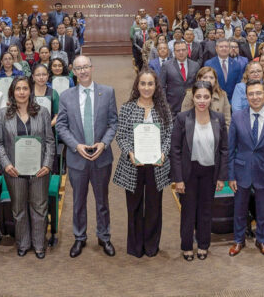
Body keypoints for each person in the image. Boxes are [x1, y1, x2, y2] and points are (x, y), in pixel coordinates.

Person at [56, 55, 118, 258]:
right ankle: (79, 237)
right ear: (73, 71)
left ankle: (104, 236)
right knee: (78, 202)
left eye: (86, 67)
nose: (82, 71)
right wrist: (75, 146)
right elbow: (62, 126)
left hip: (101, 156)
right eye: (78, 68)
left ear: (92, 68)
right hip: (77, 157)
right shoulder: (65, 96)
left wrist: (104, 143)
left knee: (102, 201)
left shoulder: (107, 92)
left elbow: (113, 123)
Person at [113, 68, 172, 258]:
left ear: (156, 86)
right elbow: (121, 135)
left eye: (150, 84)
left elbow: (170, 135)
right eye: (143, 83)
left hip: (157, 166)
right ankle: (136, 246)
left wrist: (164, 152)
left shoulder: (163, 108)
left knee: (154, 207)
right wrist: (130, 152)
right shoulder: (127, 108)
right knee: (135, 206)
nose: (146, 88)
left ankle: (151, 246)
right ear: (137, 86)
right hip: (133, 165)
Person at [0, 76, 55, 258]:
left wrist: (47, 165)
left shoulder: (43, 112)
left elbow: (50, 142)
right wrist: (6, 165)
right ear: (12, 92)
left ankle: (38, 245)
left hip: (39, 171)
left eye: (25, 88)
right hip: (15, 171)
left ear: (30, 91)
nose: (21, 92)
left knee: (39, 207)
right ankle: (23, 243)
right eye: (18, 89)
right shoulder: (3, 114)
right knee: (19, 209)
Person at [171, 81, 228, 261]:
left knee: (206, 211)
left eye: (206, 97)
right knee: (188, 211)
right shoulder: (182, 118)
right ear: (193, 97)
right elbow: (176, 150)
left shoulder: (218, 119)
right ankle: (187, 246)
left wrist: (221, 177)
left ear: (211, 98)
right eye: (198, 97)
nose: (202, 100)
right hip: (189, 172)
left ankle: (204, 245)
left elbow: (224, 150)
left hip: (210, 172)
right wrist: (178, 178)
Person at [228, 80, 264, 258]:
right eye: (251, 94)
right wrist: (231, 175)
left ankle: (261, 240)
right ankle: (238, 240)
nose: (255, 97)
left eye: (258, 93)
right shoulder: (237, 116)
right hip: (241, 171)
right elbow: (231, 149)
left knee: (263, 210)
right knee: (239, 209)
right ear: (246, 96)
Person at [160, 41, 200, 118]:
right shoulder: (166, 65)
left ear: (187, 50)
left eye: (183, 50)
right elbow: (162, 86)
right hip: (173, 106)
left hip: (191, 105)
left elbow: (198, 85)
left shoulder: (195, 65)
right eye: (178, 50)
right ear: (174, 52)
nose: (181, 52)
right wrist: (165, 103)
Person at [205, 39, 242, 103]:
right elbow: (207, 84)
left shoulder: (237, 64)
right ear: (216, 48)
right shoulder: (209, 64)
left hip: (232, 100)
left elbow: (239, 84)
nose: (224, 48)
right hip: (214, 100)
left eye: (226, 46)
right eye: (221, 47)